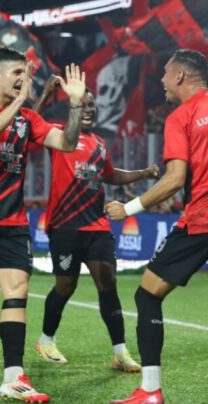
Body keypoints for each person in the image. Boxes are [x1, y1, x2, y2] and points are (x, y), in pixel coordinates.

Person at [105, 49, 208, 404]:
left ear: (180, 76)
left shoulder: (182, 115)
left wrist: (128, 208)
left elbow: (175, 179)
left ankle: (150, 390)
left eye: (165, 73)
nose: (161, 80)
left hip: (205, 220)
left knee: (147, 295)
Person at [0, 47, 86, 404]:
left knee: (18, 290)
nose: (23, 79)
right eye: (16, 72)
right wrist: (19, 104)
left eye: (26, 73)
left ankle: (14, 376)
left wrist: (74, 104)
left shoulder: (28, 118)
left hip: (13, 221)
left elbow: (68, 143)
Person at [35, 83, 159, 372]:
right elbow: (30, 123)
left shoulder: (100, 144)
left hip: (97, 226)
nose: (89, 110)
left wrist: (143, 173)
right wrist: (46, 93)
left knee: (108, 283)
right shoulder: (58, 134)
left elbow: (111, 175)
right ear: (73, 107)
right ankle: (46, 340)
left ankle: (120, 352)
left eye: (92, 106)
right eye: (83, 105)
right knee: (66, 286)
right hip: (65, 225)